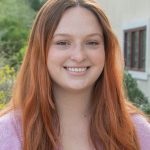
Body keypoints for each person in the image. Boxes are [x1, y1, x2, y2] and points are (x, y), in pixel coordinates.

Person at [0, 0, 150, 150]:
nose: (79, 56)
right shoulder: (8, 133)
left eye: (92, 42)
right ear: (40, 50)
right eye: (63, 42)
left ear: (106, 51)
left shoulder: (137, 131)